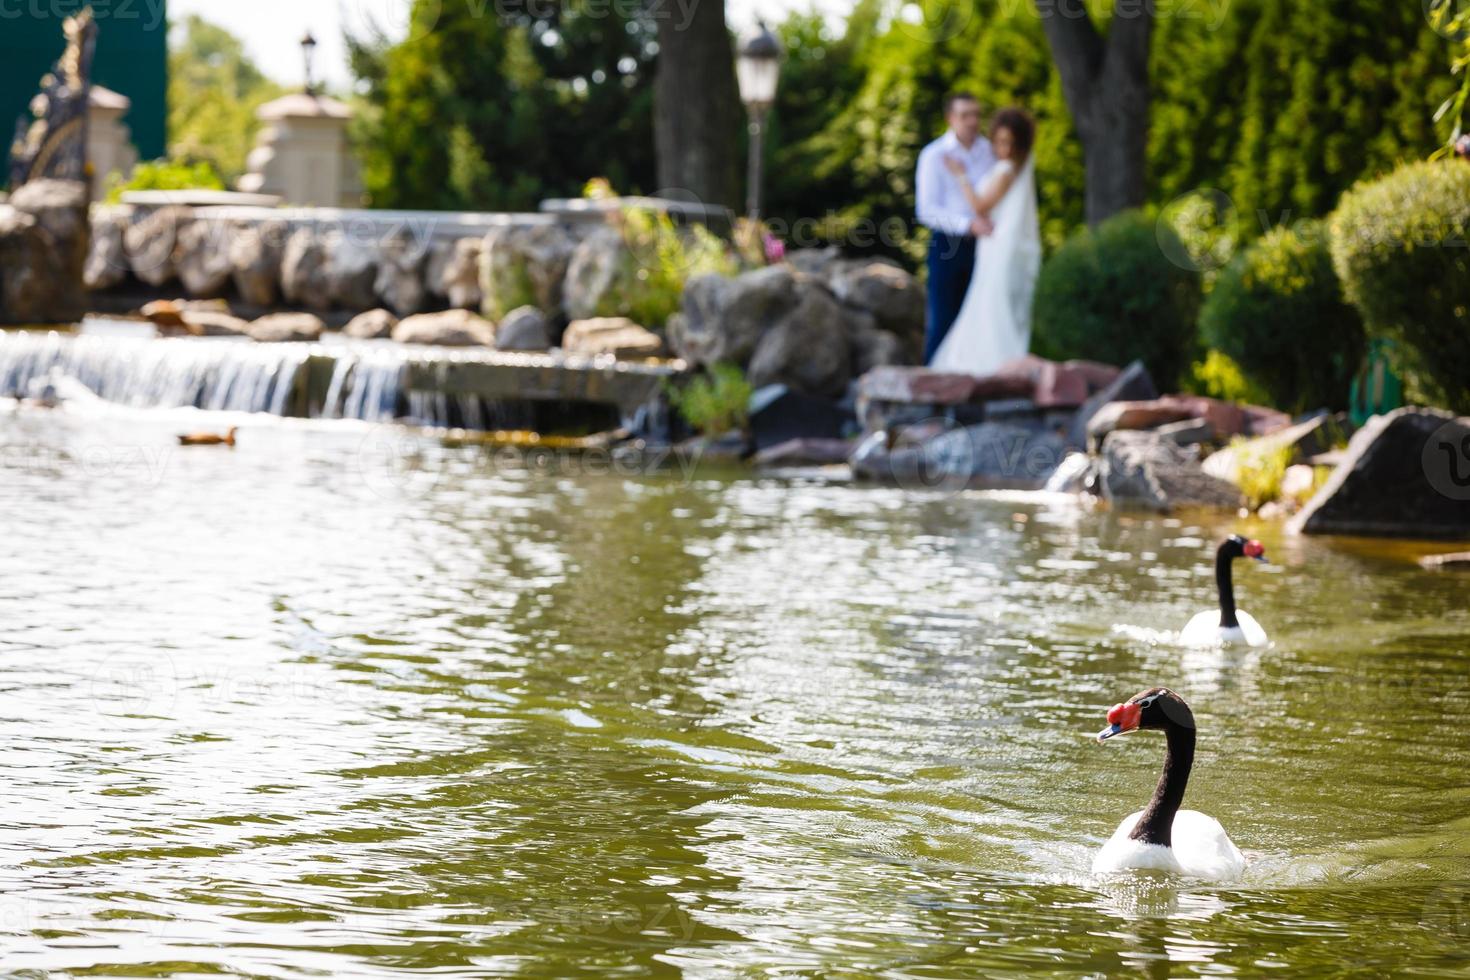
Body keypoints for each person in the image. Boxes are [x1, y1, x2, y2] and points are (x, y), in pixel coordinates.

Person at [928, 107, 1041, 377]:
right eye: (999, 142)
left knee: (990, 305)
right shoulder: (1011, 167)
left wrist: (960, 175)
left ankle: (990, 365)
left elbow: (980, 206)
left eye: (1010, 143)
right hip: (992, 246)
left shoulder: (1005, 169)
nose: (1003, 149)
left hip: (996, 248)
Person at [915, 93, 997, 364]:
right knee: (943, 320)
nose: (972, 121)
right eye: (965, 115)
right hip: (948, 245)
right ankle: (932, 388)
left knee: (982, 319)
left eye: (976, 114)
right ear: (951, 118)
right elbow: (926, 209)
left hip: (987, 245)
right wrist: (967, 225)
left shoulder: (990, 152)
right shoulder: (934, 155)